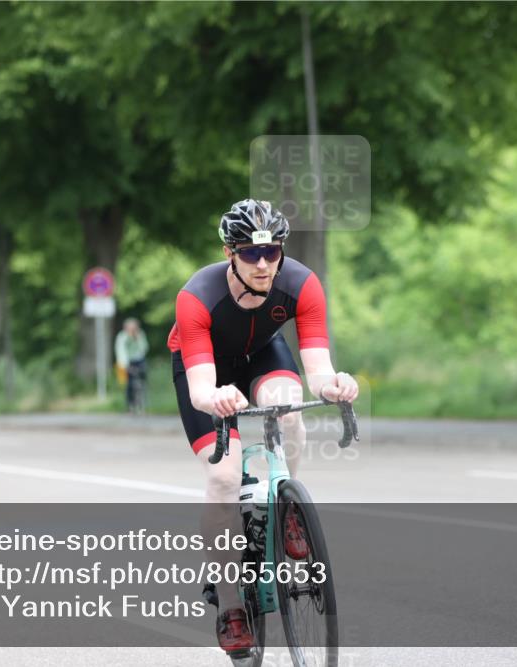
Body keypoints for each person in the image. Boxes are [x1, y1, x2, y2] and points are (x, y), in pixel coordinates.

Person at [167, 198, 359, 654]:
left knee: (290, 407)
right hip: (206, 369)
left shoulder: (302, 284)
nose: (262, 263)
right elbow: (200, 389)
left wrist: (337, 385)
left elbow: (318, 369)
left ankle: (288, 507)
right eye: (250, 253)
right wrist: (215, 397)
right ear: (229, 252)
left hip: (261, 358)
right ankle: (231, 605)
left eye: (272, 252)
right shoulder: (196, 295)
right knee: (222, 477)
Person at [115, 317, 149, 413]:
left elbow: (144, 348)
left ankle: (142, 403)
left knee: (142, 380)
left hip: (139, 359)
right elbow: (121, 351)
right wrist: (126, 366)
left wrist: (137, 338)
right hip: (127, 361)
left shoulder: (140, 334)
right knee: (129, 384)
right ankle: (130, 405)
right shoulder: (122, 337)